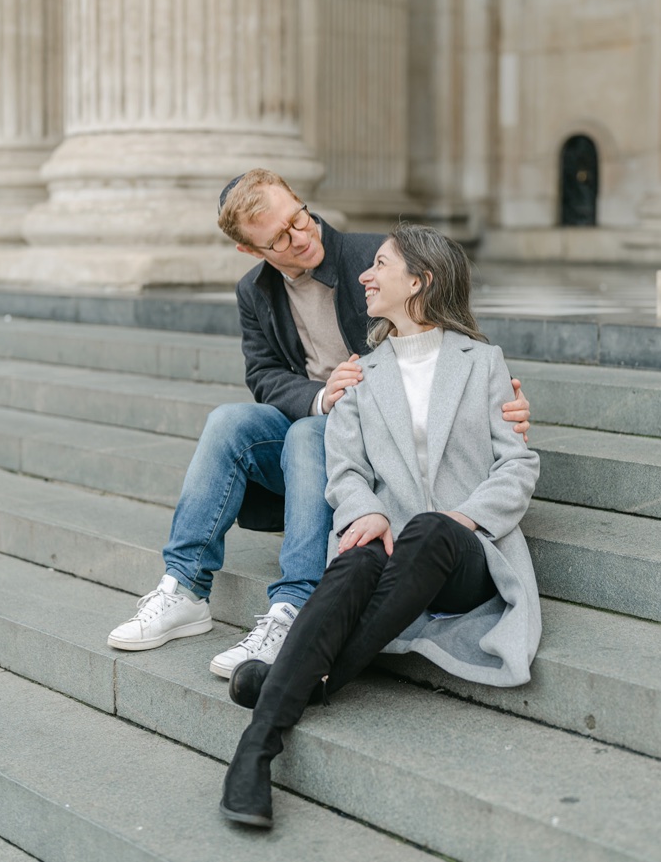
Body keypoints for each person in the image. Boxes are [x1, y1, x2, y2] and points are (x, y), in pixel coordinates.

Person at [105, 170, 531, 682]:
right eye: (279, 239)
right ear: (250, 251)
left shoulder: (375, 257)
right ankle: (185, 588)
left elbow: (446, 326)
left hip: (364, 442)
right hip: (313, 422)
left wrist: (495, 397)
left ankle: (294, 605)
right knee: (230, 422)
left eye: (299, 218)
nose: (301, 237)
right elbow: (262, 374)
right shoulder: (254, 292)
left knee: (313, 434)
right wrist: (319, 397)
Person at [218, 223, 542, 828]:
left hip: (467, 554)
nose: (364, 275)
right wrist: (363, 509)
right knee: (358, 554)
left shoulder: (483, 363)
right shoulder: (362, 372)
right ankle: (254, 754)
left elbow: (518, 463)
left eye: (381, 265)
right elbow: (343, 471)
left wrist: (464, 516)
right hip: (394, 554)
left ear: (419, 280)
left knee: (430, 530)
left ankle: (300, 680)